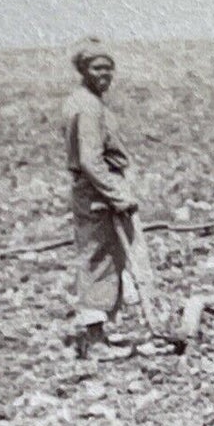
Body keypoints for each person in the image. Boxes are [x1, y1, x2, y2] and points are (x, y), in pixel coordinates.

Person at [62, 38, 141, 358]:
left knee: (103, 259)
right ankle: (94, 343)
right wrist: (118, 194)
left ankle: (98, 335)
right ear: (83, 70)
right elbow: (90, 160)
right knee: (99, 261)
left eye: (109, 68)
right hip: (97, 194)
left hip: (95, 192)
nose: (104, 74)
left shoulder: (84, 101)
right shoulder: (88, 107)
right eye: (97, 67)